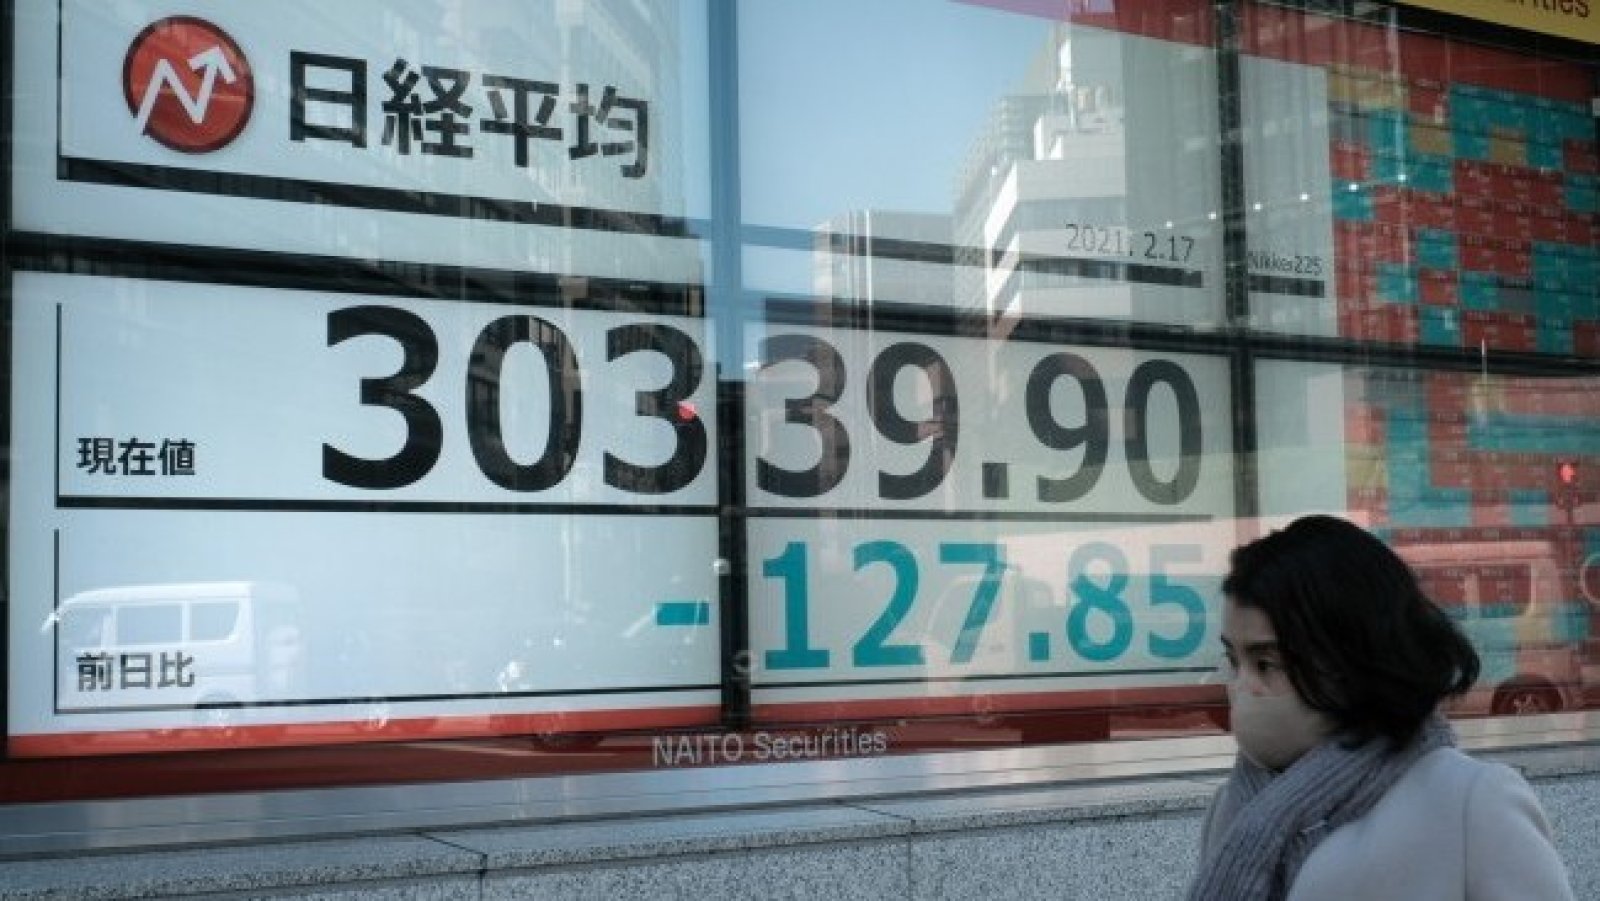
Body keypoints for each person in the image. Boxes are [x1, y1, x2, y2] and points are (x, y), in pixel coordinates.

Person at [1187, 514, 1574, 901]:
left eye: (1266, 663)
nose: (1242, 686)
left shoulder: (1469, 801)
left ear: (1346, 659)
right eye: (1234, 660)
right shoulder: (1234, 807)